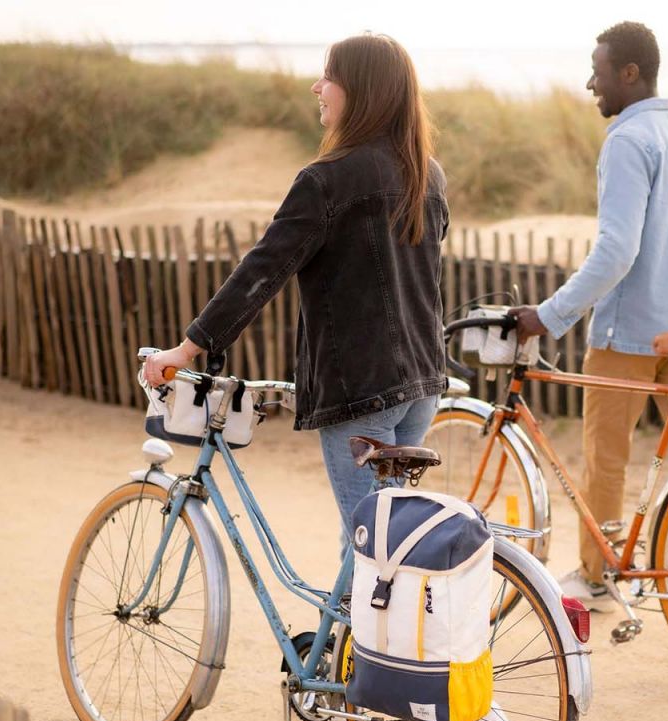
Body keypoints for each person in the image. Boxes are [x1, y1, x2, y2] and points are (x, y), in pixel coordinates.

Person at [143, 33, 449, 555]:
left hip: (362, 388)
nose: (317, 87)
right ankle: (352, 639)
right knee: (384, 539)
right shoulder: (427, 173)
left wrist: (188, 348)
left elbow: (262, 271)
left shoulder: (327, 180)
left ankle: (365, 637)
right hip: (422, 383)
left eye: (328, 76)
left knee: (369, 547)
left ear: (361, 89)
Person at [509, 22, 668, 633]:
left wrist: (551, 314)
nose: (590, 80)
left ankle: (594, 580)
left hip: (630, 333)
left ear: (630, 73)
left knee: (606, 460)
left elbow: (617, 250)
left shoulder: (627, 141)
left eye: (598, 69)